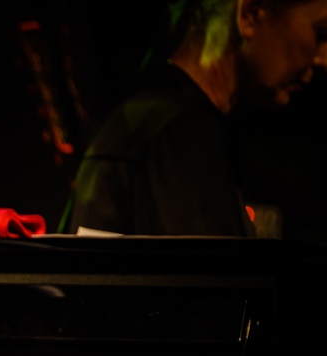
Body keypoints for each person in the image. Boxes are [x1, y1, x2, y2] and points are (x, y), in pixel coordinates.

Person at [66, 0, 327, 235]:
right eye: (320, 33)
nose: (323, 59)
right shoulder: (185, 134)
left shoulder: (145, 120)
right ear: (251, 14)